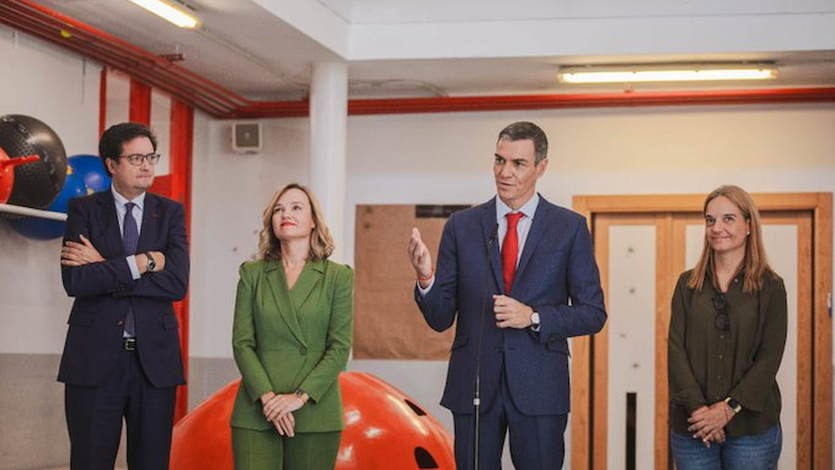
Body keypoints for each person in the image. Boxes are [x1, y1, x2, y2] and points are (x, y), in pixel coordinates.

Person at [407, 121, 607, 470]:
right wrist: (426, 277)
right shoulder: (462, 226)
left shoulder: (569, 227)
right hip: (474, 384)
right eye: (499, 160)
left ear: (541, 167)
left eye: (518, 163)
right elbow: (440, 318)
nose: (505, 172)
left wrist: (532, 316)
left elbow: (593, 313)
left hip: (540, 387)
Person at [58, 122, 190, 470]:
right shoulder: (83, 210)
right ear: (111, 164)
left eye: (151, 157)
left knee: (151, 462)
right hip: (93, 358)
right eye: (136, 158)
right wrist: (141, 263)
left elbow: (176, 284)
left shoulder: (170, 213)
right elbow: (76, 280)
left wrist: (105, 265)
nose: (147, 166)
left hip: (154, 363)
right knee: (89, 460)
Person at [230, 183, 353, 470]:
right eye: (278, 209)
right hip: (256, 408)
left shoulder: (338, 277)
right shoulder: (253, 273)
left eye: (296, 207)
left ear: (313, 221)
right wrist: (269, 398)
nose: (286, 213)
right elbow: (242, 343)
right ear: (271, 222)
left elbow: (339, 347)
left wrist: (298, 398)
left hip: (314, 409)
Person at [668, 185, 787, 470]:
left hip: (752, 429)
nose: (717, 227)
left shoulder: (771, 287)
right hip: (693, 427)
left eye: (728, 218)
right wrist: (701, 412)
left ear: (748, 225)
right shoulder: (687, 285)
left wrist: (727, 409)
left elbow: (769, 359)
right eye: (710, 220)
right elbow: (676, 350)